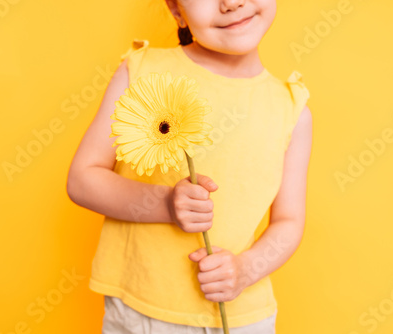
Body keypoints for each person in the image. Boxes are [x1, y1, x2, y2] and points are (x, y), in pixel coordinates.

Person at [66, 0, 312, 333]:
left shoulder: (291, 110)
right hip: (142, 312)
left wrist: (245, 270)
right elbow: (82, 180)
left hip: (242, 318)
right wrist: (164, 204)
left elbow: (289, 221)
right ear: (176, 9)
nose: (232, 3)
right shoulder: (142, 72)